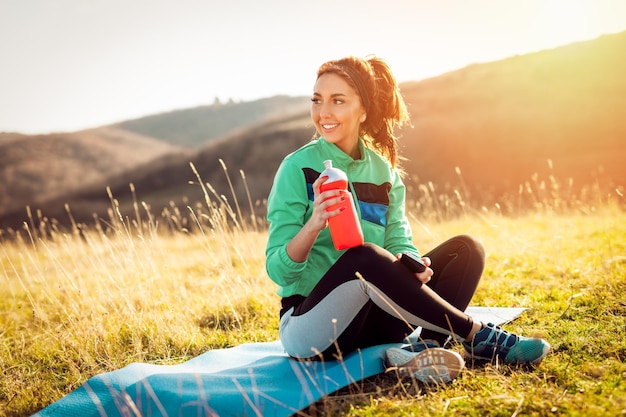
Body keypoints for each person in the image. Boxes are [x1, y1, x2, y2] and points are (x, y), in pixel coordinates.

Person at [265, 55, 550, 383]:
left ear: (364, 111)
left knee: (466, 249)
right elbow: (277, 268)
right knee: (364, 258)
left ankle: (426, 347)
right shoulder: (296, 168)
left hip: (380, 322)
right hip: (313, 330)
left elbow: (398, 243)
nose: (323, 112)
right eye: (317, 100)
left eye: (337, 101)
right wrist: (315, 223)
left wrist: (415, 263)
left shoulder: (383, 172)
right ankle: (479, 336)